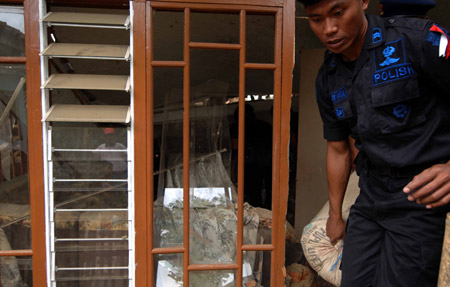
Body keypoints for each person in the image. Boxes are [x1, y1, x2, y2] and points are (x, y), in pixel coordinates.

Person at [296, 0, 450, 285]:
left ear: (363, 2)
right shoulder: (328, 76)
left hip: (420, 198)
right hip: (370, 197)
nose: (328, 29)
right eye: (316, 19)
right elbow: (338, 148)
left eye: (338, 13)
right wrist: (334, 214)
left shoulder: (419, 39)